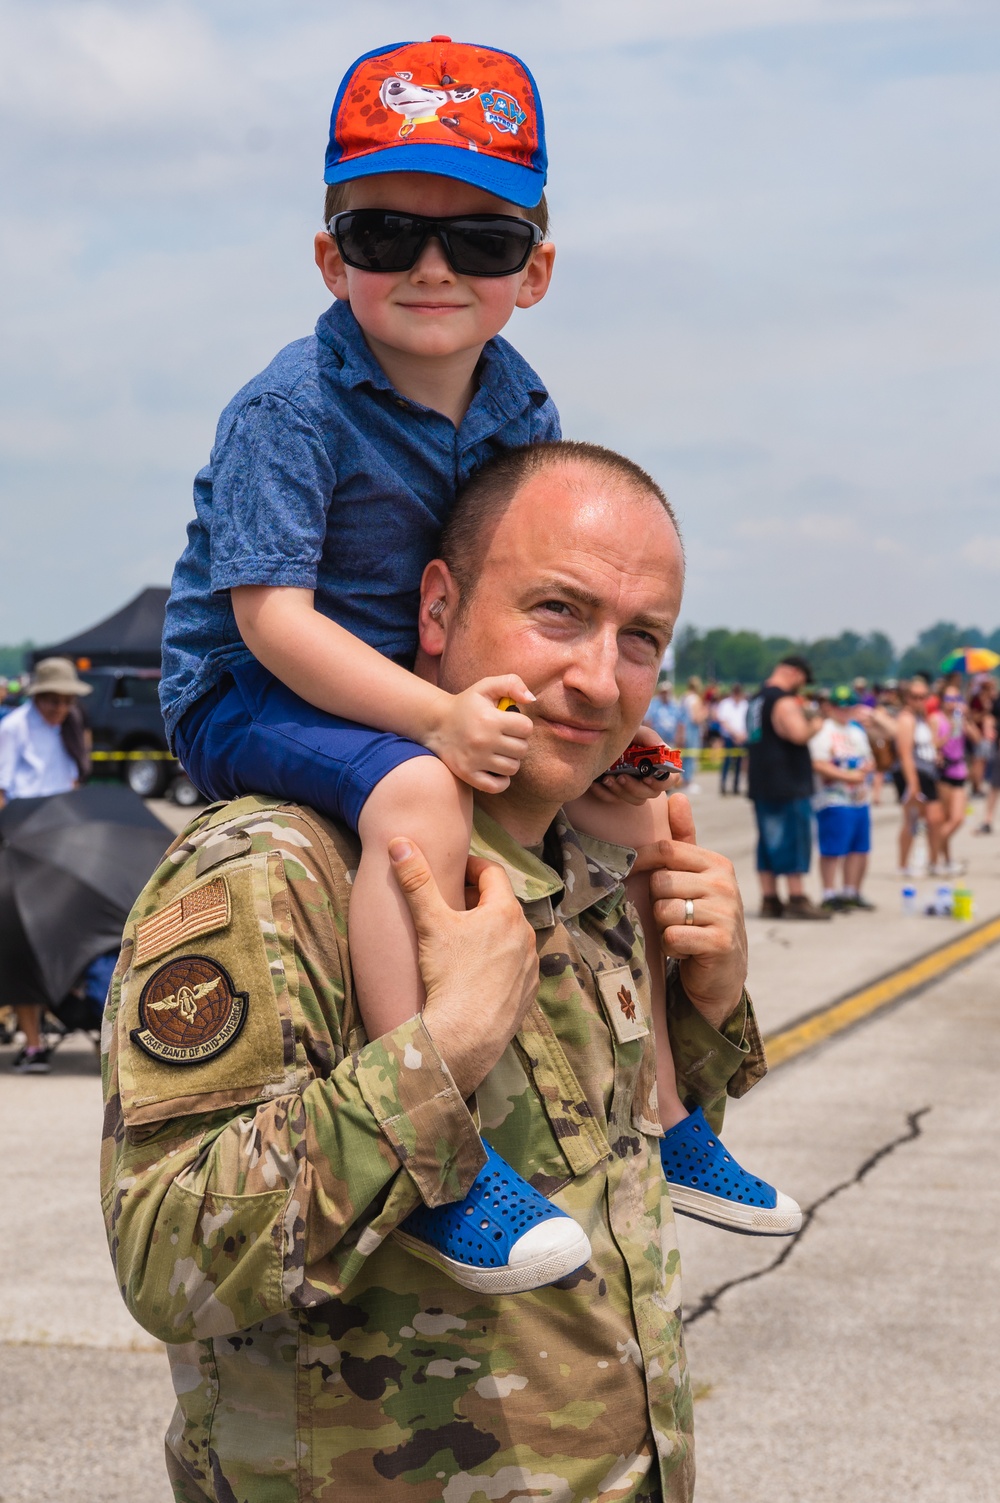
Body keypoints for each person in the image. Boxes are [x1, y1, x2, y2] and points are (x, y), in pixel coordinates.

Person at [158, 40, 790, 1289]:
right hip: (248, 690)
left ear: (535, 271)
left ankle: (668, 1117)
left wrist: (578, 729)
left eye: (483, 241)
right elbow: (273, 620)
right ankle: (435, 1144)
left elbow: (524, 555)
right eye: (388, 233)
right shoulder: (290, 408)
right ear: (332, 257)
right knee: (417, 794)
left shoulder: (516, 402)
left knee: (644, 796)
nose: (434, 267)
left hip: (405, 678)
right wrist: (442, 719)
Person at [103, 446, 789, 1503]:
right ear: (436, 608)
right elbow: (164, 1255)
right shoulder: (282, 869)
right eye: (557, 612)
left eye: (641, 638)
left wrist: (705, 998)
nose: (600, 679)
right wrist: (436, 1059)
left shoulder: (596, 869)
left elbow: (612, 1184)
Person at [0, 656, 92, 1073]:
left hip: (62, 839)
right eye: (51, 701)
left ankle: (65, 1007)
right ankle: (32, 1042)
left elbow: (73, 783)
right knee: (24, 944)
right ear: (37, 697)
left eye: (65, 701)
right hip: (23, 839)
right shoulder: (14, 728)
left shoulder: (71, 727)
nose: (58, 709)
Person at [746, 655, 830, 919]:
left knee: (767, 842)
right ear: (794, 673)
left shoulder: (756, 699)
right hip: (787, 781)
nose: (802, 686)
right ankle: (797, 898)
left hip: (761, 780)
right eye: (803, 679)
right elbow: (798, 733)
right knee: (793, 838)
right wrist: (817, 721)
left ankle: (770, 899)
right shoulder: (782, 700)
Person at [809, 686, 876, 911]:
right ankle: (829, 893)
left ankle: (851, 891)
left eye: (849, 707)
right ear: (830, 707)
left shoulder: (856, 730)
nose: (844, 711)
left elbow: (869, 759)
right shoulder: (823, 730)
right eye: (839, 706)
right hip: (833, 798)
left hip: (858, 798)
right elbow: (819, 763)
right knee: (832, 848)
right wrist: (848, 775)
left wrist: (865, 770)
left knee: (859, 847)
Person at [892, 676, 946, 876]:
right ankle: (903, 865)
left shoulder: (921, 717)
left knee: (934, 819)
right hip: (913, 774)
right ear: (907, 697)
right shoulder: (906, 719)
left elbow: (928, 745)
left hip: (927, 771)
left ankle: (933, 862)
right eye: (915, 697)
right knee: (912, 820)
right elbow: (905, 753)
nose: (919, 700)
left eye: (923, 696)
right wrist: (912, 783)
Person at [930, 684, 969, 874]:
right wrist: (948, 732)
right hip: (944, 772)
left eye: (956, 699)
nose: (953, 703)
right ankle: (940, 860)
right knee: (945, 818)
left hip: (960, 771)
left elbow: (977, 739)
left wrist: (966, 722)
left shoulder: (959, 718)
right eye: (949, 699)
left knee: (957, 818)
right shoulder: (936, 719)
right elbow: (931, 745)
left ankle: (934, 856)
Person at [717, 682, 749, 795]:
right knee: (727, 761)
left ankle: (736, 786)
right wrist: (735, 734)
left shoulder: (745, 704)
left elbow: (748, 722)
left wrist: (743, 735)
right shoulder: (725, 704)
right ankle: (723, 785)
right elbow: (723, 721)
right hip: (729, 737)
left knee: (739, 763)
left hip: (742, 736)